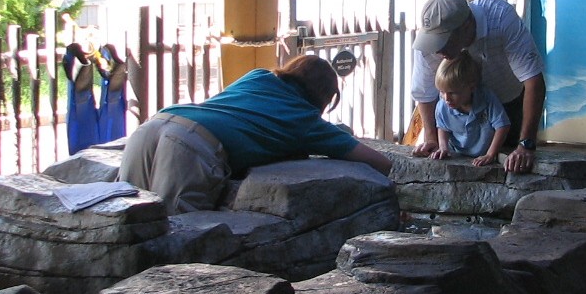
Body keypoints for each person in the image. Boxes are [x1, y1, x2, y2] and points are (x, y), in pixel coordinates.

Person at [119, 54, 393, 214]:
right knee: (170, 233)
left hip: (153, 125)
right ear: (325, 97)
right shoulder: (305, 119)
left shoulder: (256, 76)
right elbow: (381, 163)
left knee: (125, 218)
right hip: (190, 148)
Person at [411, 0, 545, 173]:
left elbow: (533, 80)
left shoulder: (500, 18)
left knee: (513, 165)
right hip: (457, 111)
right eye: (434, 41)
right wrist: (432, 139)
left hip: (508, 103)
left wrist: (526, 144)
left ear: (466, 26)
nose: (438, 50)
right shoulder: (430, 42)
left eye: (444, 41)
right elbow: (424, 92)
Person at [430, 51, 511, 167]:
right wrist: (443, 147)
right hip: (457, 152)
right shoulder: (443, 104)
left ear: (471, 87)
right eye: (442, 92)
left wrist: (490, 154)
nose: (446, 98)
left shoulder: (486, 98)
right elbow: (443, 126)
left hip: (483, 151)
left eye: (453, 93)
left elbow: (502, 125)